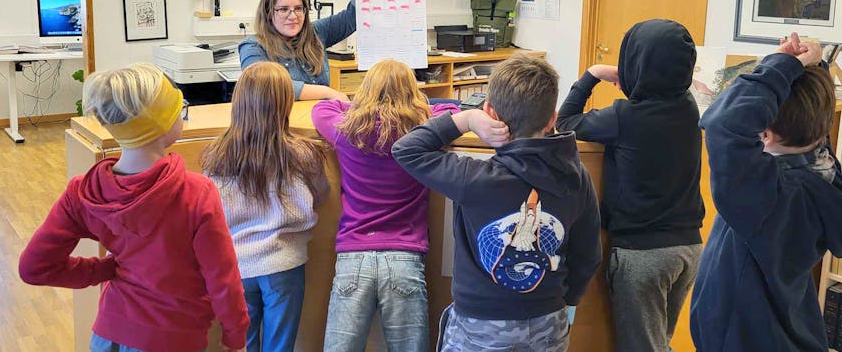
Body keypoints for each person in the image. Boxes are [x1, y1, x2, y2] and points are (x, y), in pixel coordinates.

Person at [18, 63, 248, 352]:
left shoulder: (84, 191)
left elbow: (33, 268)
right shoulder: (197, 193)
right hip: (174, 339)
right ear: (162, 124)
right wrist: (236, 338)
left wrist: (104, 270)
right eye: (180, 107)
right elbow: (223, 279)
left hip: (108, 335)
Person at [690, 33, 842, 352]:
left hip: (744, 341)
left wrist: (782, 65)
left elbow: (724, 123)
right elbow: (805, 117)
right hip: (783, 333)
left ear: (764, 134)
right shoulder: (819, 168)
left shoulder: (765, 194)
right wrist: (809, 68)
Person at [392, 53, 601, 352]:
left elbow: (406, 149)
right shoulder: (577, 176)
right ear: (552, 118)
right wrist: (568, 301)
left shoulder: (474, 177)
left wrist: (465, 119)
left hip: (481, 324)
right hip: (548, 317)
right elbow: (588, 254)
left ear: (490, 112)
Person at [555, 19, 705, 352]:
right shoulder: (689, 107)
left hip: (643, 255)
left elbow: (565, 123)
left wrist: (592, 74)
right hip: (688, 248)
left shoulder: (624, 117)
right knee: (658, 343)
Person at [311, 59, 460, 352]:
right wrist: (419, 110)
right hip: (404, 256)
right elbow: (452, 110)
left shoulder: (346, 131)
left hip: (354, 256)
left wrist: (357, 106)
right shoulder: (421, 134)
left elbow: (321, 109)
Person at [201, 62, 329, 352]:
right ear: (286, 102)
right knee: (281, 344)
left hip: (236, 265)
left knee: (240, 343)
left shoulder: (217, 154)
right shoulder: (303, 152)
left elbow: (210, 208)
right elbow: (321, 195)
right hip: (285, 264)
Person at [238, 0, 398, 101]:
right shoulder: (253, 46)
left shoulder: (315, 32)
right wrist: (327, 92)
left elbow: (352, 17)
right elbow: (264, 85)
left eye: (298, 8)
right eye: (283, 9)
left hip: (318, 122)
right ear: (268, 12)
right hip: (280, 127)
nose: (292, 16)